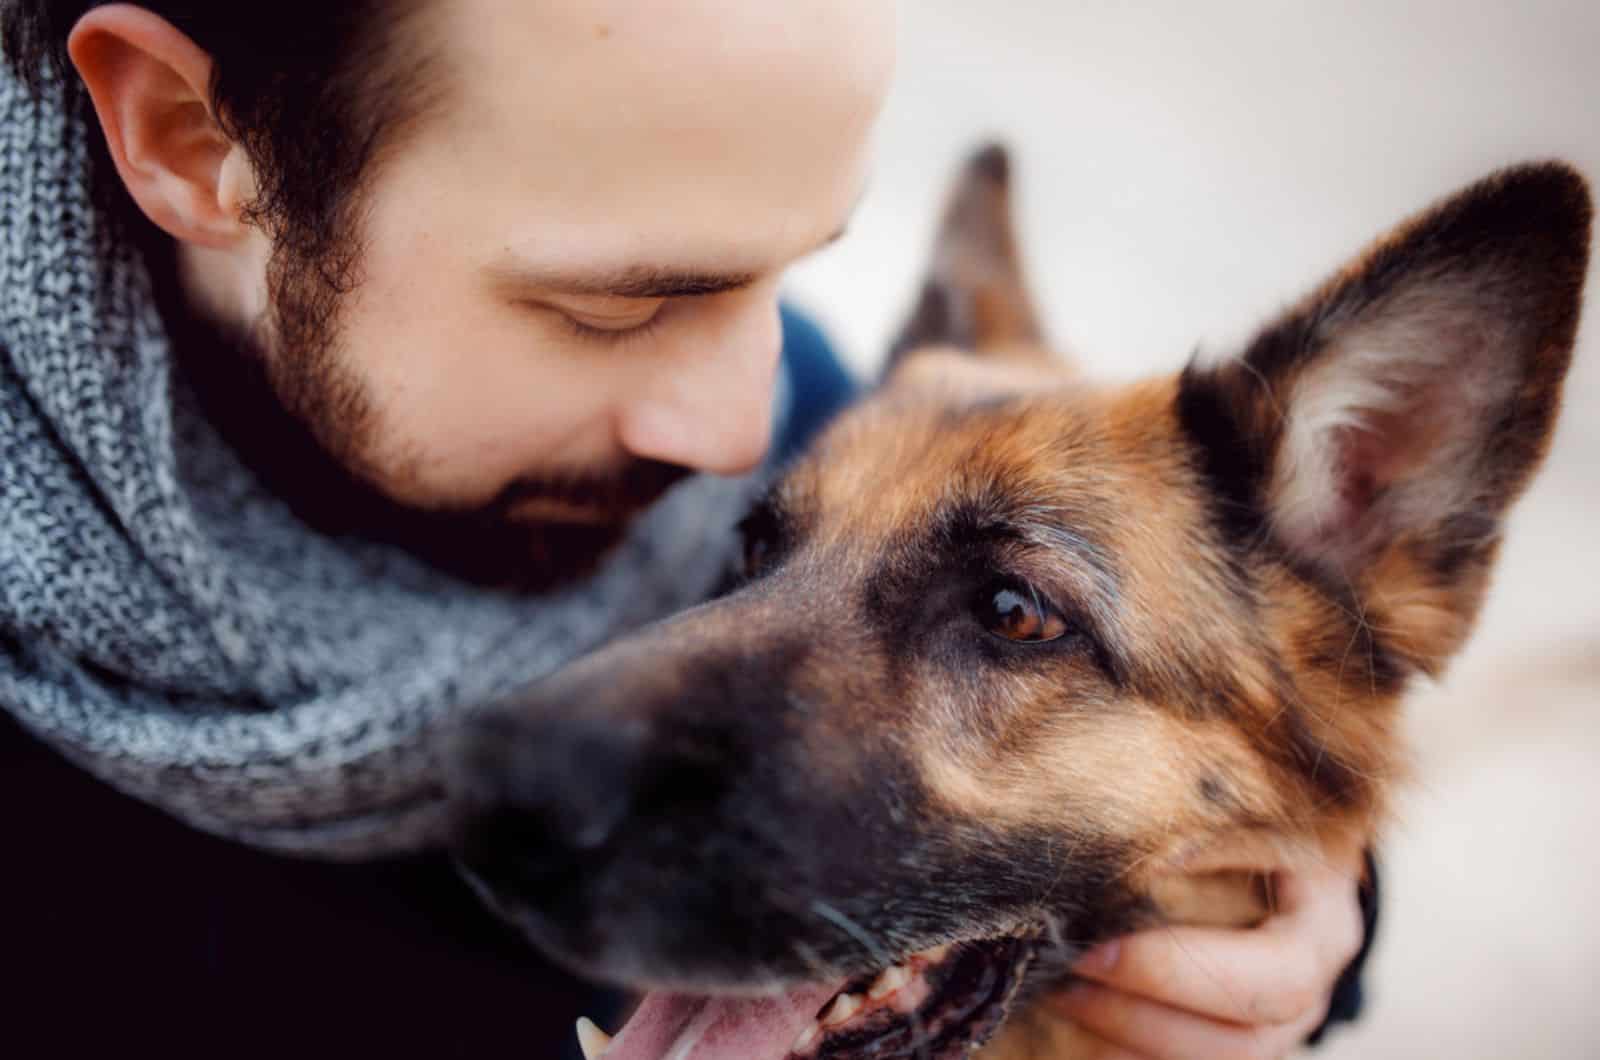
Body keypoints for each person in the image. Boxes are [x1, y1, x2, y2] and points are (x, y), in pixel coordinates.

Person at [0, 2, 1371, 1056]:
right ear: (193, 138)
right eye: (617, 306)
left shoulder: (805, 417)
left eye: (784, 271)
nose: (743, 435)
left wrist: (1305, 923)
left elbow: (1216, 714)